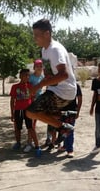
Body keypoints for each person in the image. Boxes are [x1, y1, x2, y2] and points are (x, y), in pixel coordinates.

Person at [26, 19, 77, 149]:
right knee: (40, 112)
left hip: (64, 91)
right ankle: (64, 116)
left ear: (47, 34)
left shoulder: (55, 50)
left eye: (37, 35)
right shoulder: (44, 50)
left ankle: (64, 127)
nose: (35, 39)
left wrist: (39, 85)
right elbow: (50, 73)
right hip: (54, 90)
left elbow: (63, 75)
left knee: (31, 112)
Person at [10, 69, 40, 154]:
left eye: (28, 75)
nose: (26, 77)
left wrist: (34, 111)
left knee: (31, 128)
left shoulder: (31, 86)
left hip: (28, 111)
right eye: (24, 75)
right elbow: (12, 100)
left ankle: (37, 146)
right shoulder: (15, 87)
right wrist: (12, 113)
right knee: (17, 128)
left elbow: (33, 99)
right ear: (20, 76)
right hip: (18, 110)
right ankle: (18, 143)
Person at [56, 83, 82, 158]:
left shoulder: (75, 85)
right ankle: (65, 146)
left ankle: (70, 150)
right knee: (62, 129)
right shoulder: (60, 85)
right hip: (61, 111)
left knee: (70, 130)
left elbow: (79, 99)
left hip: (72, 111)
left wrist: (78, 111)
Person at [26, 59, 44, 151]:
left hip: (39, 101)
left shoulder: (42, 77)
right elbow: (28, 88)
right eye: (37, 66)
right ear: (34, 67)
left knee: (34, 123)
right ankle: (29, 142)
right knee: (31, 123)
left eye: (41, 66)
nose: (39, 67)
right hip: (31, 100)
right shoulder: (31, 77)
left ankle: (32, 141)